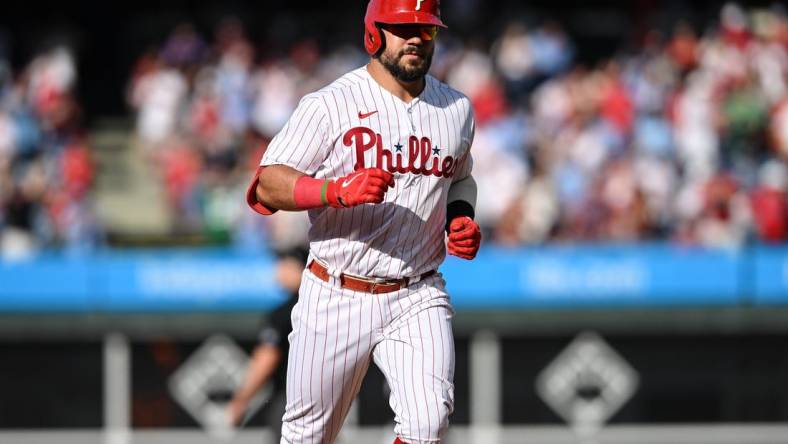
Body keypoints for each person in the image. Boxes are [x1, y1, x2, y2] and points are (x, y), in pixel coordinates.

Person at [245, 1, 481, 442]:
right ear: (374, 33)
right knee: (307, 436)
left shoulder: (456, 109)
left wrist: (460, 217)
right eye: (402, 27)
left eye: (425, 30)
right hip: (336, 289)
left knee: (428, 423)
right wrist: (332, 191)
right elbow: (266, 185)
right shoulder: (330, 104)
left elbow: (461, 179)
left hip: (418, 289)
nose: (414, 38)